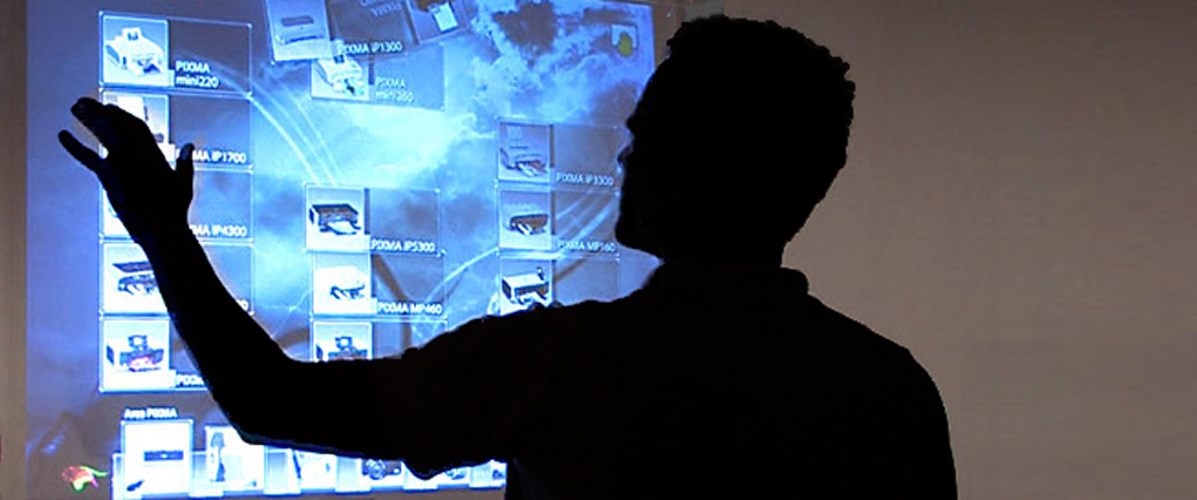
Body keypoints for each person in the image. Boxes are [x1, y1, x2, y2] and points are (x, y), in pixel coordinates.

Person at [59, 15, 956, 499]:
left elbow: (270, 402)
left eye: (642, 134)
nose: (621, 157)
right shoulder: (895, 390)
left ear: (688, 165)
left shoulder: (563, 365)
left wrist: (162, 231)